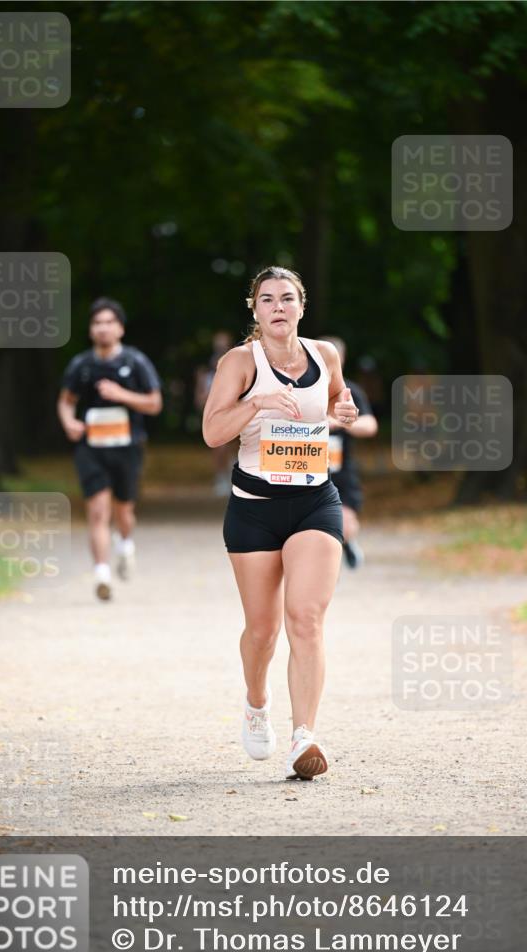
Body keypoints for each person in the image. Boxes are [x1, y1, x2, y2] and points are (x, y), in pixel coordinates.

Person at [202, 266, 359, 780]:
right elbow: (211, 432)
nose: (278, 307)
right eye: (267, 299)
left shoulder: (324, 355)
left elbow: (337, 397)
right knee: (263, 630)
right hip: (254, 509)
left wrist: (345, 407)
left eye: (287, 298)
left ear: (301, 306)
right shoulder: (239, 363)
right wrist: (257, 402)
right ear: (254, 308)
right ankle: (256, 701)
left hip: (315, 500)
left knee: (306, 617)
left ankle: (304, 737)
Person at [57, 298, 162, 600]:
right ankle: (101, 573)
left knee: (124, 510)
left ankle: (125, 543)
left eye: (108, 322)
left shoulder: (135, 362)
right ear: (91, 330)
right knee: (97, 509)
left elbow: (155, 404)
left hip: (128, 446)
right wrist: (69, 423)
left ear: (120, 328)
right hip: (91, 447)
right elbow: (66, 401)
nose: (103, 328)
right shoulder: (81, 365)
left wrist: (121, 394)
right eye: (97, 323)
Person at [324, 338, 379, 568]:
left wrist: (343, 424)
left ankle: (347, 543)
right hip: (303, 467)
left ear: (341, 359)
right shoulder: (301, 387)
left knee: (345, 525)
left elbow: (370, 425)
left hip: (340, 469)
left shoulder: (349, 390)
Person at [194, 331, 236, 496]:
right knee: (219, 446)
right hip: (217, 414)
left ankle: (234, 473)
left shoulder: (237, 363)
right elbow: (200, 397)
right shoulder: (206, 370)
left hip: (233, 412)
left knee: (235, 445)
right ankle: (221, 477)